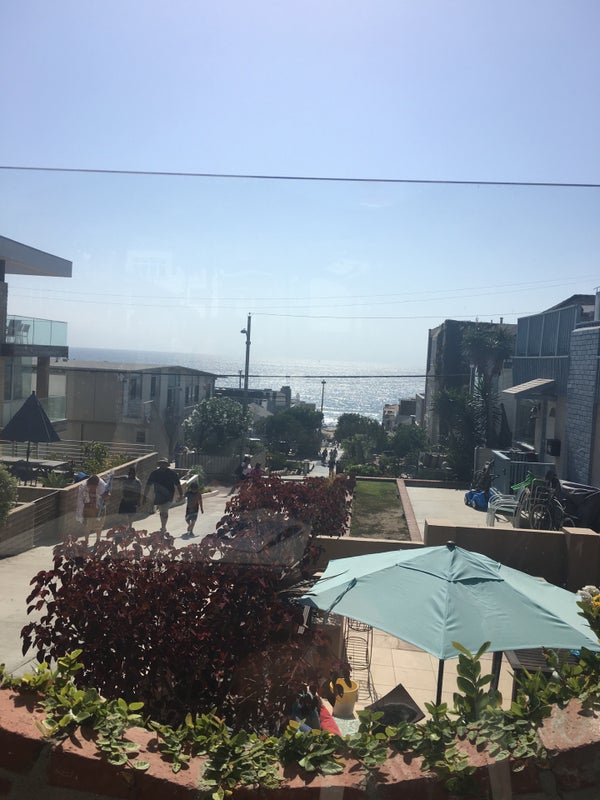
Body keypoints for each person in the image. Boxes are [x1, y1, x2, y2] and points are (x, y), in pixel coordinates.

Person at [143, 457, 183, 534]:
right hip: (158, 495)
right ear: (159, 465)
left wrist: (181, 495)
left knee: (164, 510)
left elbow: (178, 484)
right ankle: (163, 525)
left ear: (167, 465)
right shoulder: (154, 473)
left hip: (169, 495)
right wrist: (144, 496)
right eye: (161, 464)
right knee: (162, 510)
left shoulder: (172, 473)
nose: (162, 465)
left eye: (164, 464)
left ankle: (163, 527)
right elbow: (148, 485)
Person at [75, 474, 110, 546]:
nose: (92, 488)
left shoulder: (102, 486)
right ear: (88, 484)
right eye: (91, 487)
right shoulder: (83, 486)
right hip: (88, 507)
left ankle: (98, 540)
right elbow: (80, 500)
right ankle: (86, 541)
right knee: (87, 525)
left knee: (99, 525)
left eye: (94, 487)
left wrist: (105, 496)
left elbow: (107, 496)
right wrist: (80, 513)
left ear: (97, 485)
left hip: (99, 507)